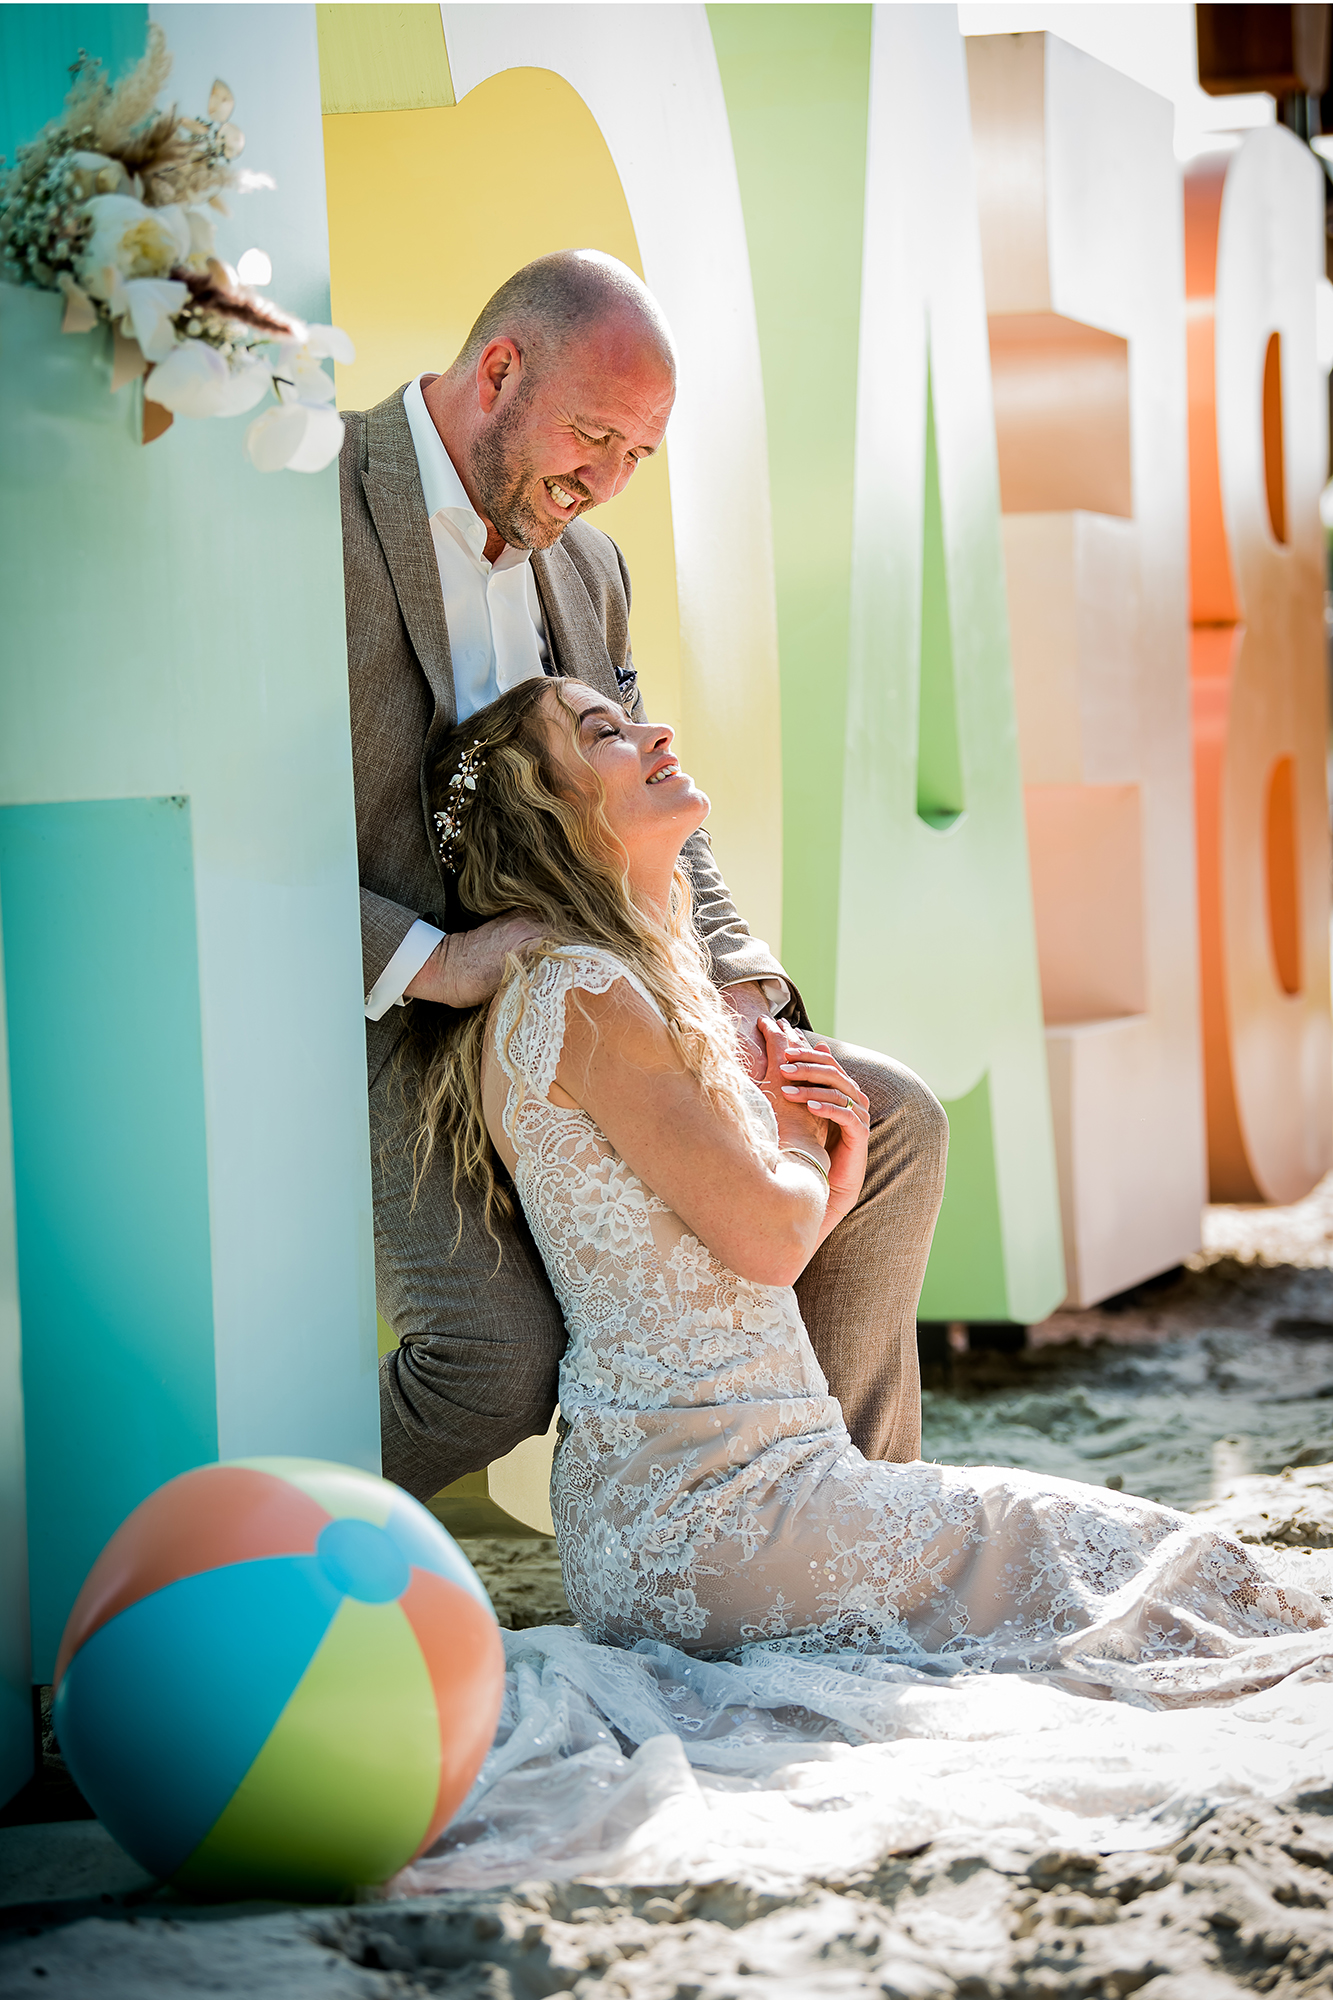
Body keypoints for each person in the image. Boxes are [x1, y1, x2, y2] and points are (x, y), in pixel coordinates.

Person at [417, 674, 1330, 1683]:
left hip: (714, 1496)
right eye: (607, 734)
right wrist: (810, 1136)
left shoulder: (612, 980)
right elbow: (769, 1238)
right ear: (548, 810)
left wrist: (815, 1159)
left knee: (1095, 1547)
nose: (653, 731)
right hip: (710, 1519)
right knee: (1107, 1551)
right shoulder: (587, 991)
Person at [342, 248, 947, 1500]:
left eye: (639, 456)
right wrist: (438, 962)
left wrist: (746, 995)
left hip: (610, 1004)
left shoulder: (590, 567)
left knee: (883, 1122)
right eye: (591, 435)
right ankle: (217, 1542)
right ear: (498, 369)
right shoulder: (308, 513)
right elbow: (238, 822)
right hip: (396, 1015)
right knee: (491, 1364)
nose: (606, 482)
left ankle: (843, 1512)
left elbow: (670, 820)